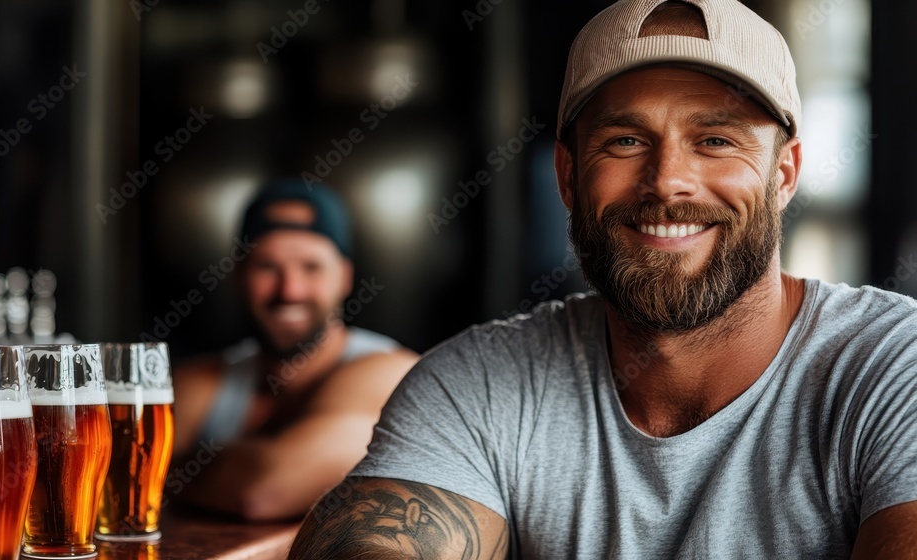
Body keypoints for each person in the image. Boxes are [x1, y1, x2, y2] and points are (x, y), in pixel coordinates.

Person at [288, 0, 917, 557]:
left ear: (784, 174)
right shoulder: (475, 383)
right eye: (623, 141)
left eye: (717, 140)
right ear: (567, 176)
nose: (667, 180)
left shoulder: (894, 368)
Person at [170, 180, 419, 521]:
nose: (290, 289)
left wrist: (171, 467)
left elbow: (264, 491)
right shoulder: (200, 380)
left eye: (311, 267)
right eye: (267, 267)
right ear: (239, 275)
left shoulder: (389, 372)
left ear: (344, 277)